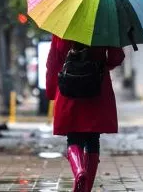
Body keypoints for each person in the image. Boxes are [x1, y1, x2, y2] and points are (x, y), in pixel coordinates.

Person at [46, 35, 125, 192]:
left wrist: (50, 90)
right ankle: (86, 188)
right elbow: (117, 57)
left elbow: (54, 59)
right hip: (96, 85)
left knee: (73, 137)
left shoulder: (63, 27)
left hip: (70, 85)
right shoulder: (104, 25)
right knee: (93, 139)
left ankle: (79, 171)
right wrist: (104, 64)